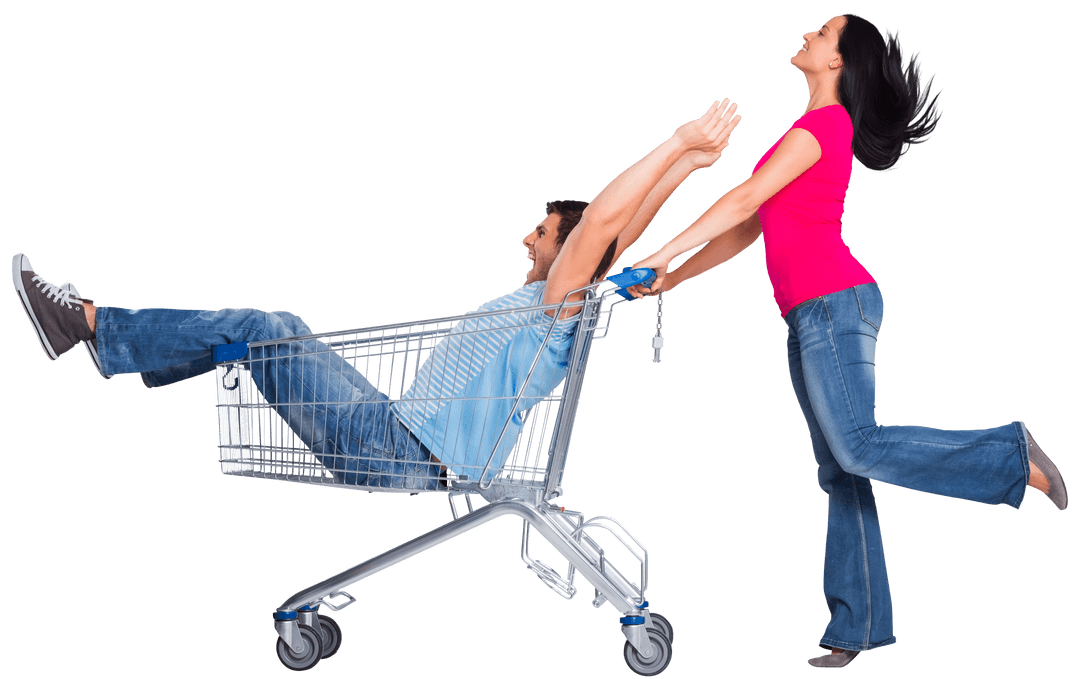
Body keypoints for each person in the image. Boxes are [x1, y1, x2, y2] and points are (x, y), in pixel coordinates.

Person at [625, 14, 1069, 671]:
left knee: (858, 445)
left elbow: (744, 199)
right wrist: (673, 277)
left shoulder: (824, 125)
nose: (808, 31)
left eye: (823, 30)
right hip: (812, 315)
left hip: (835, 306)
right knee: (842, 469)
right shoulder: (802, 133)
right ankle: (855, 626)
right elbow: (749, 228)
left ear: (838, 62)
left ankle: (1009, 453)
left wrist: (663, 246)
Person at [12, 99, 742, 489]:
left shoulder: (558, 303)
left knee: (261, 323)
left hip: (393, 447)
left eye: (543, 232)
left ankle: (86, 325)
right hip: (394, 429)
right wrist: (690, 167)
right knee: (282, 322)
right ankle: (136, 352)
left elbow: (604, 225)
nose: (529, 238)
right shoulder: (563, 305)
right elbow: (616, 230)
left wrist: (676, 143)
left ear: (566, 255)